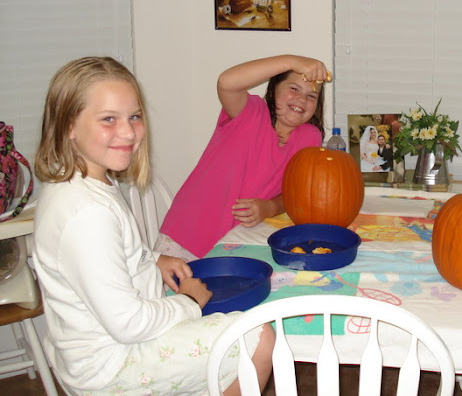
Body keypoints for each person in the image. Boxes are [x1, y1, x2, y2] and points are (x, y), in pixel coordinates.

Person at [32, 57, 274, 396]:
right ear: (68, 125)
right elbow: (128, 323)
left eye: (134, 116)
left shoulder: (82, 182)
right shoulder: (86, 213)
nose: (128, 132)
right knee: (256, 335)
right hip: (111, 366)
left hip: (89, 351)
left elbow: (103, 254)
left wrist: (152, 258)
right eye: (108, 119)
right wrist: (188, 302)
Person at [158, 55, 328, 260]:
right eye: (293, 88)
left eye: (312, 96)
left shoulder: (310, 137)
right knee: (174, 293)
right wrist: (292, 62)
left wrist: (271, 207)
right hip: (187, 236)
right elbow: (226, 82)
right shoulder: (250, 112)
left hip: (240, 244)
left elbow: (296, 193)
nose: (302, 99)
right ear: (274, 89)